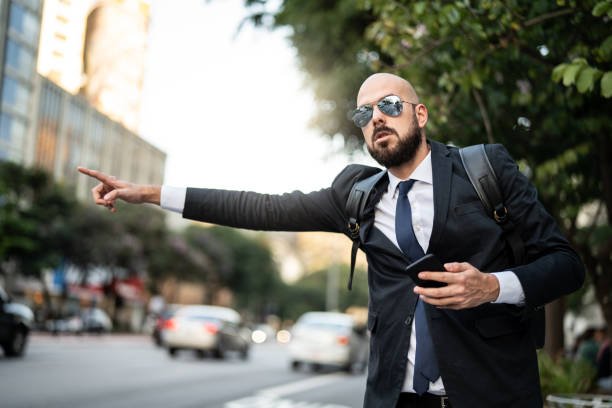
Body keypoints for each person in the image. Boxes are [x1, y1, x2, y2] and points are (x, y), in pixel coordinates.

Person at [78, 73, 585, 408]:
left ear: (421, 114)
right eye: (364, 115)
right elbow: (261, 207)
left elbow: (565, 264)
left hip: (491, 393)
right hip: (395, 398)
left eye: (388, 105)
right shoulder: (355, 195)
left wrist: (494, 286)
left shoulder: (485, 169)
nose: (377, 119)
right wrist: (149, 193)